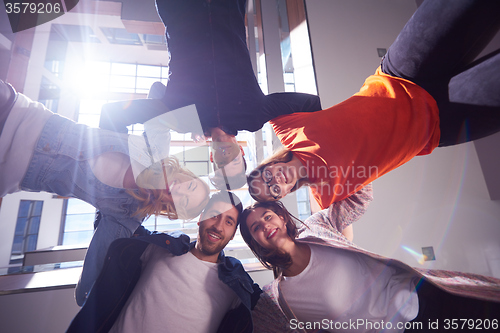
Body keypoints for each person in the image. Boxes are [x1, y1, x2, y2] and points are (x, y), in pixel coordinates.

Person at [247, 0, 500, 207]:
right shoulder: (326, 197)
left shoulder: (289, 131)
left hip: (402, 72)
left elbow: (263, 107)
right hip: (441, 122)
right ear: (284, 194)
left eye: (267, 176)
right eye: (274, 190)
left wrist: (224, 132)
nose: (275, 180)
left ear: (269, 165)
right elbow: (337, 241)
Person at [0, 79, 211, 305]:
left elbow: (85, 293)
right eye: (190, 186)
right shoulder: (157, 149)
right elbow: (159, 90)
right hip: (19, 112)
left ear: (174, 210)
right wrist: (192, 125)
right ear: (187, 175)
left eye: (185, 201)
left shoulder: (127, 216)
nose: (180, 191)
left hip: (10, 170)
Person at [98, 0, 323, 190]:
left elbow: (113, 113)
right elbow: (313, 104)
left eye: (221, 163)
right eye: (234, 162)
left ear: (212, 158)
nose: (226, 157)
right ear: (241, 151)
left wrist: (117, 170)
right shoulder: (254, 116)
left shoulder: (181, 120)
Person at [238, 184, 500, 332]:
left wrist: (306, 175)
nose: (264, 226)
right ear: (255, 242)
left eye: (267, 216)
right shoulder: (276, 299)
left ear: (282, 217)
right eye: (255, 228)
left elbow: (359, 196)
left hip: (424, 298)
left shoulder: (316, 226)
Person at [67, 191, 262, 333]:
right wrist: (154, 192)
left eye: (229, 221)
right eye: (214, 215)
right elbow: (115, 218)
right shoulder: (158, 246)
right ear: (200, 218)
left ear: (233, 233)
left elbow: (277, 310)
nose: (219, 226)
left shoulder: (236, 285)